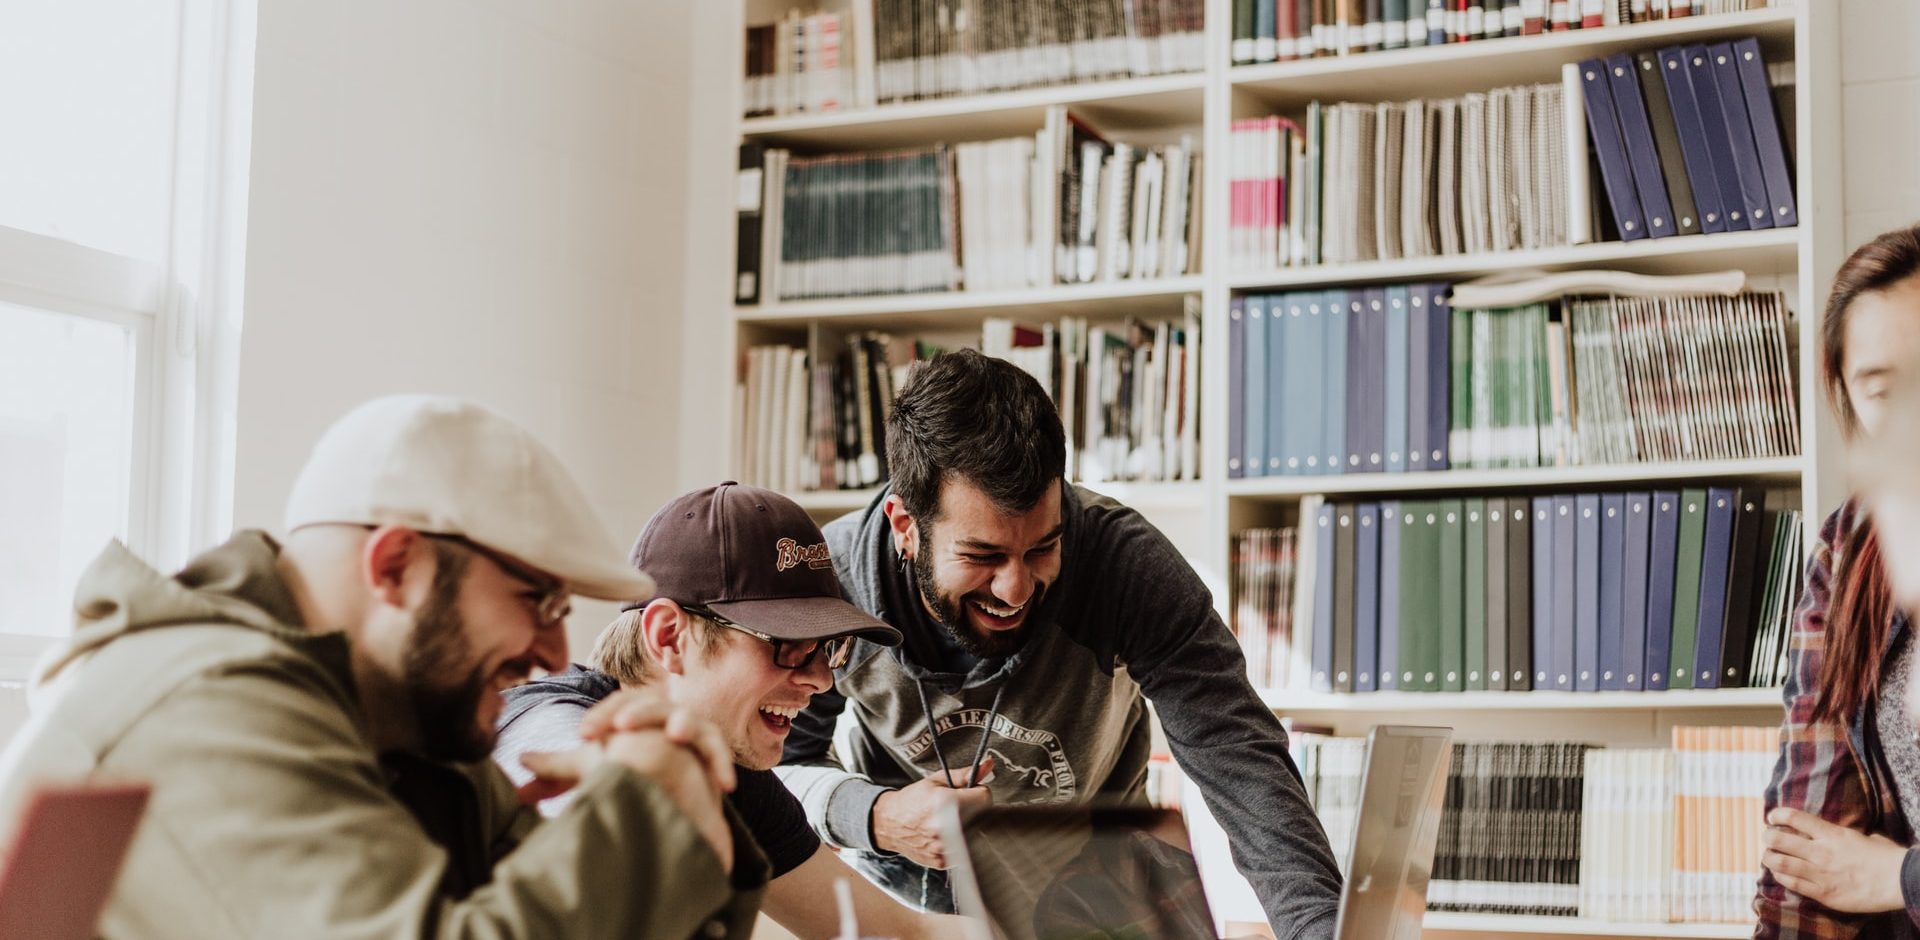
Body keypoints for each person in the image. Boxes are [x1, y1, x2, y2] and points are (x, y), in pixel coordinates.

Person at [0, 396, 767, 939]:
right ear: (396, 564)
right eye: (537, 600)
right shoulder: (206, 708)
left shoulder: (401, 722)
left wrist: (686, 797)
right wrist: (642, 804)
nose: (555, 656)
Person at [775, 349, 1344, 937]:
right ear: (904, 526)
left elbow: (1238, 753)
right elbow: (777, 764)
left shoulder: (1125, 565)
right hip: (908, 902)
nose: (1016, 588)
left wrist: (1318, 926)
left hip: (1102, 885)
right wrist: (875, 816)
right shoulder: (830, 585)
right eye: (982, 555)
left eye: (1042, 547)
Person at [493, 482, 968, 939]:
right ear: (669, 638)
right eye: (788, 644)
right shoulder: (543, 720)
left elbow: (903, 933)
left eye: (829, 648)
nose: (823, 679)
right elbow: (580, 781)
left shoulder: (732, 772)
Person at [1755, 224, 1920, 936]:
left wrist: (1898, 877)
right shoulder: (1853, 546)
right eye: (1885, 390)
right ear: (1848, 399)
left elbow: (1867, 873)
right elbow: (1808, 846)